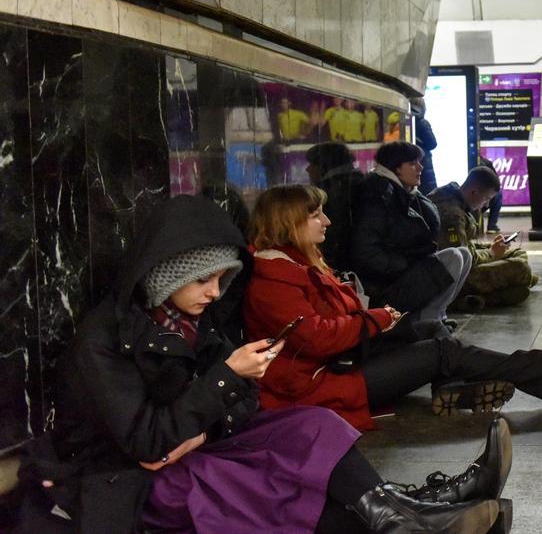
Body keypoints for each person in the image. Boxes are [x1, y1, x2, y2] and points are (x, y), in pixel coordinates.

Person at [16, 195, 508, 533]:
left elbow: (242, 404)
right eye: (204, 281)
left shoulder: (192, 318)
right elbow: (146, 442)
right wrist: (225, 380)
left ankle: (408, 515)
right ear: (167, 275)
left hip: (192, 444)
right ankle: (426, 513)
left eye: (221, 280)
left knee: (312, 427)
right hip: (125, 480)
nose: (214, 292)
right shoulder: (105, 339)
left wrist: (213, 415)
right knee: (252, 484)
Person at [244, 184, 542, 425]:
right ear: (289, 223)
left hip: (344, 360)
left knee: (429, 329)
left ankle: (480, 384)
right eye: (316, 215)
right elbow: (316, 338)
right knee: (439, 351)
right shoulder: (274, 279)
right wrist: (377, 319)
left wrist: (373, 320)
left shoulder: (299, 264)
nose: (327, 221)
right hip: (322, 386)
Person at [350, 142, 466, 338]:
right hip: (384, 288)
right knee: (453, 257)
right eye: (413, 163)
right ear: (395, 167)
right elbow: (366, 253)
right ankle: (425, 322)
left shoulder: (405, 192)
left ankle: (435, 315)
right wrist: (407, 265)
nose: (420, 167)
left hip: (400, 275)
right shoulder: (378, 197)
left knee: (463, 254)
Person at [431, 166, 537, 309]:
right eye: (487, 198)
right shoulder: (452, 216)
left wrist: (493, 249)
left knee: (518, 253)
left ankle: (502, 290)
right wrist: (492, 253)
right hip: (448, 278)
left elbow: (465, 245)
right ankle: (464, 300)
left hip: (456, 263)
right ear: (474, 192)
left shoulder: (453, 194)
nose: (486, 204)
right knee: (520, 268)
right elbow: (461, 259)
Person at [305, 141, 364, 272]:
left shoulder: (331, 191)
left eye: (312, 164)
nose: (307, 169)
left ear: (324, 165)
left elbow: (335, 234)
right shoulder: (360, 182)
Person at [412, 96, 439, 194]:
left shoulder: (405, 117)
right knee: (429, 194)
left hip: (411, 163)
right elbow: (432, 144)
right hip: (424, 162)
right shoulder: (422, 122)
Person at [479, 153, 503, 234]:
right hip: (475, 203)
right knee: (498, 195)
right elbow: (496, 184)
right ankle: (492, 226)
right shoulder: (486, 163)